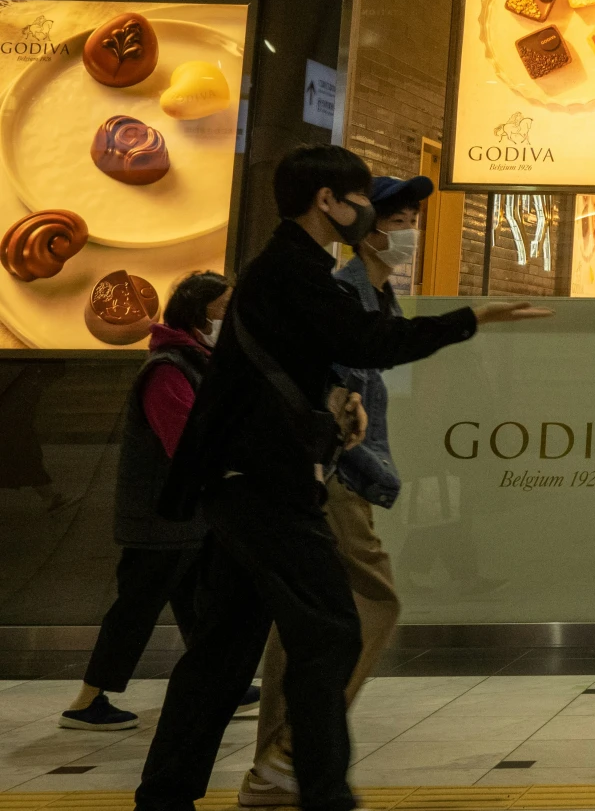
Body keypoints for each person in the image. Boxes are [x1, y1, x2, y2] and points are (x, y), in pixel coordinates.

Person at [133, 145, 550, 811]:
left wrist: (335, 401)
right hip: (265, 485)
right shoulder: (289, 270)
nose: (366, 209)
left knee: (223, 651)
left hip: (248, 482)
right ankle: (318, 790)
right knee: (329, 629)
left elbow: (329, 354)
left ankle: (169, 794)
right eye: (359, 197)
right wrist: (474, 317)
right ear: (327, 199)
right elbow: (369, 343)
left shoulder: (293, 270)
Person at [239, 173, 433, 807]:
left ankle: (274, 768)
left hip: (335, 475)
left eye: (411, 219)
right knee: (372, 602)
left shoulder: (377, 298)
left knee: (298, 628)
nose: (409, 232)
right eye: (399, 220)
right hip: (335, 476)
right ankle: (293, 750)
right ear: (364, 227)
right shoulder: (344, 293)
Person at [62, 272, 232, 731]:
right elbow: (183, 442)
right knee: (136, 607)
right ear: (199, 313)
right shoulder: (167, 369)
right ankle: (86, 700)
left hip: (184, 514)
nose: (228, 316)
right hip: (160, 517)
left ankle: (216, 680)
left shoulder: (196, 360)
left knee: (197, 602)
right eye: (222, 307)